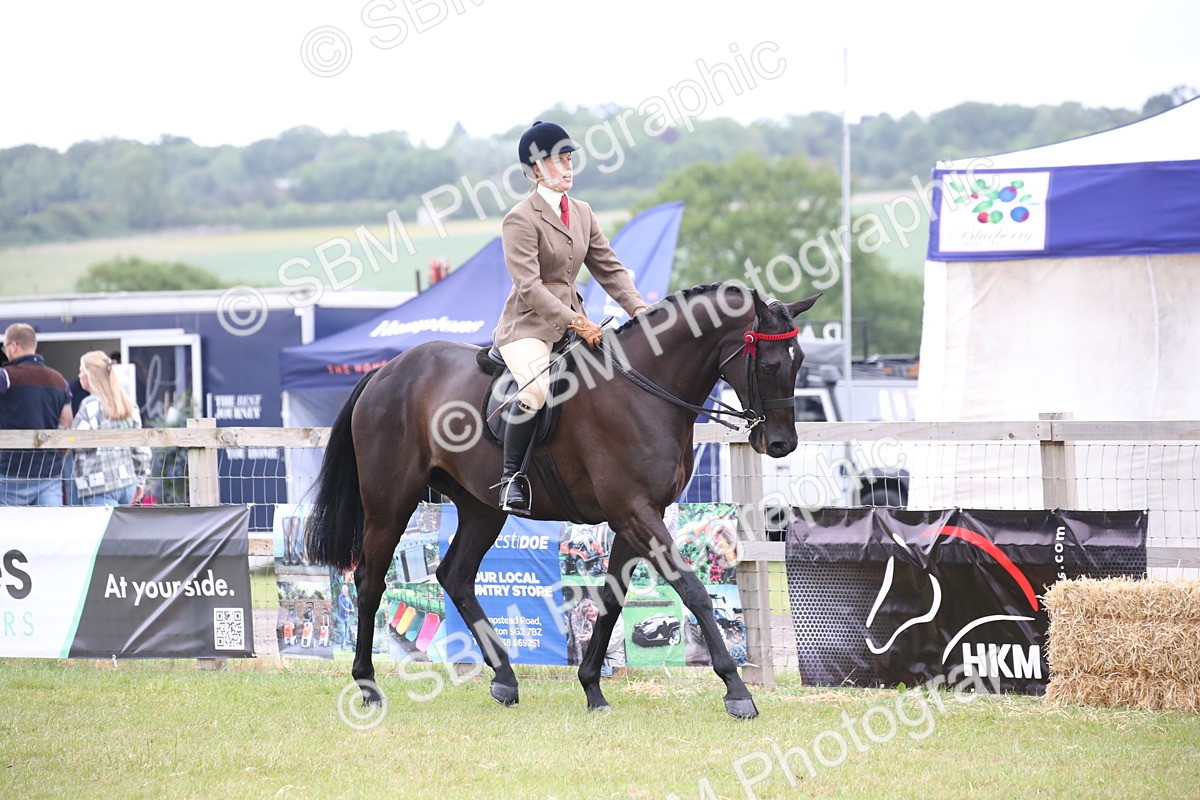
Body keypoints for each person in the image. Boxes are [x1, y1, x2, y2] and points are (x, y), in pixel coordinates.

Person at [492, 120, 649, 513]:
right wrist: (578, 322)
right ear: (537, 169)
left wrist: (641, 310)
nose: (568, 167)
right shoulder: (520, 219)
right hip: (528, 326)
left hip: (575, 321)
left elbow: (609, 268)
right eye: (561, 161)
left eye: (569, 159)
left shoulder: (582, 212)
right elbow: (529, 286)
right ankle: (511, 478)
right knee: (535, 390)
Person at [0, 323, 73, 506]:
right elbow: (67, 424)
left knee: (9, 533)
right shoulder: (59, 380)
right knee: (49, 532)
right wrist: (56, 455)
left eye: (4, 346)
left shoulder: (6, 377)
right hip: (48, 474)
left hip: (9, 473)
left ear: (14, 345)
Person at [71, 350, 151, 506]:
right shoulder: (127, 403)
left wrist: (66, 438)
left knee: (103, 531)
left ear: (91, 374)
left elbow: (76, 441)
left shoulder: (90, 406)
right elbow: (141, 448)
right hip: (127, 483)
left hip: (98, 486)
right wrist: (140, 481)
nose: (79, 375)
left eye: (81, 370)